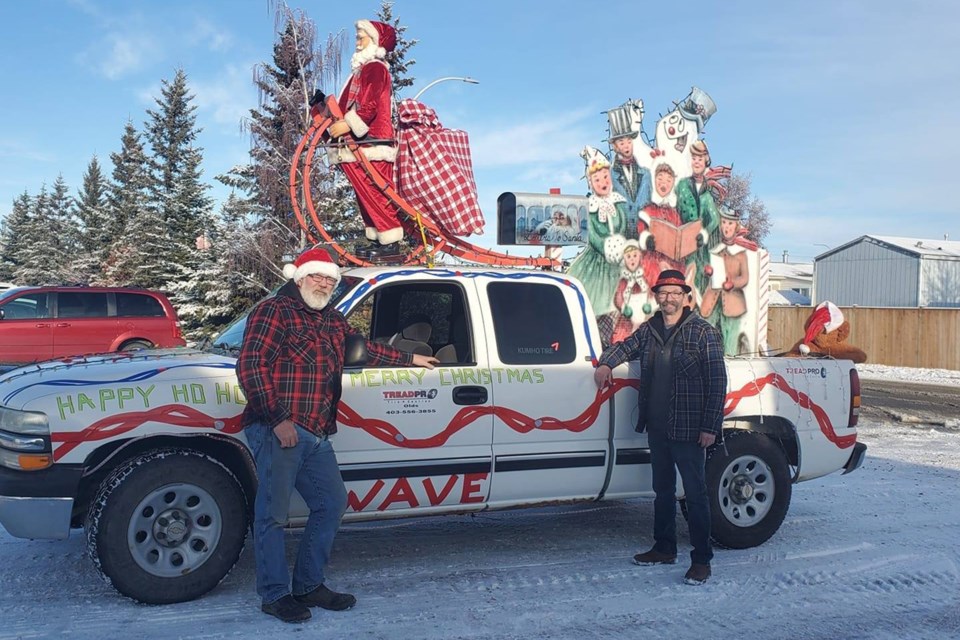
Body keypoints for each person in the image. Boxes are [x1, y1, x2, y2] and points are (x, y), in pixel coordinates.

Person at [237, 247, 438, 623]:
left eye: (330, 279)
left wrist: (411, 359)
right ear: (299, 277)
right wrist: (277, 418)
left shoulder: (331, 319)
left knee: (331, 504)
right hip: (278, 427)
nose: (325, 284)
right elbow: (250, 364)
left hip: (315, 431)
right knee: (272, 516)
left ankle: (309, 585)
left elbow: (363, 350)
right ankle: (275, 594)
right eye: (318, 277)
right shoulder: (274, 311)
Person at [593, 268, 727, 586]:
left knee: (695, 495)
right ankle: (664, 547)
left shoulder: (702, 332)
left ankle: (701, 559)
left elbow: (717, 382)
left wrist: (710, 426)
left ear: (685, 297)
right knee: (662, 492)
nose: (668, 298)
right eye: (663, 293)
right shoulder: (650, 329)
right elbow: (624, 347)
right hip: (658, 427)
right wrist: (605, 362)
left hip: (690, 429)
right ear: (656, 297)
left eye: (674, 293)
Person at [326, 20, 404, 251]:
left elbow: (368, 105)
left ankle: (390, 240)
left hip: (373, 141)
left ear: (375, 41)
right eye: (357, 38)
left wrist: (347, 125)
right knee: (364, 193)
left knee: (376, 191)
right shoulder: (362, 70)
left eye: (362, 38)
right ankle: (376, 238)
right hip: (360, 143)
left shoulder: (375, 68)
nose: (357, 43)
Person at [567, 146, 628, 316]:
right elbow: (591, 234)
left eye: (605, 177)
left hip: (618, 261)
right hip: (595, 262)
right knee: (595, 300)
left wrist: (620, 242)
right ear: (590, 183)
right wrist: (605, 246)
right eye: (597, 179)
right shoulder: (589, 207)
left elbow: (622, 223)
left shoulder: (618, 203)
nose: (603, 182)